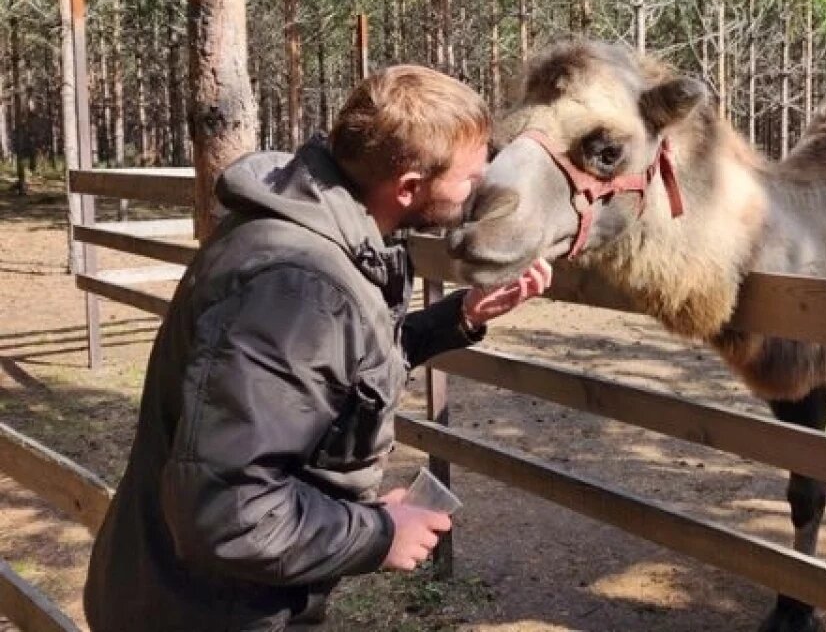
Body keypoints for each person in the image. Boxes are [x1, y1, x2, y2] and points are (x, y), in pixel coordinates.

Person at [84, 65, 551, 631]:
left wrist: (463, 315)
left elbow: (331, 377)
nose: (479, 193)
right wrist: (380, 535)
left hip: (194, 595)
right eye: (470, 181)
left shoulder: (306, 233)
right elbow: (228, 513)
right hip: (205, 613)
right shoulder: (298, 286)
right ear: (407, 187)